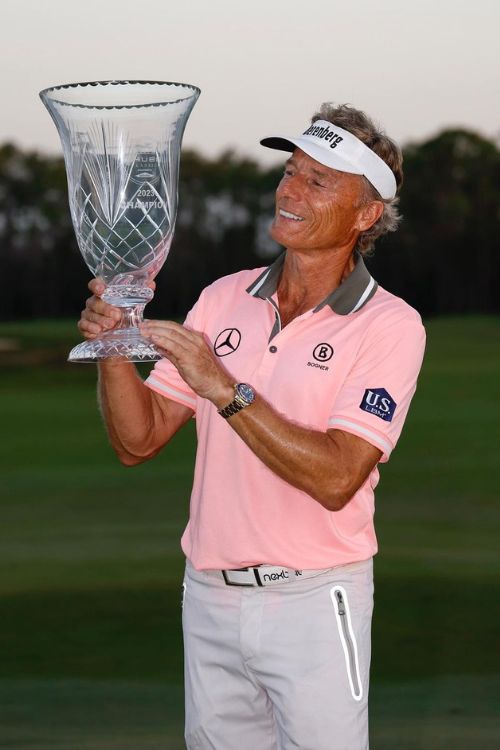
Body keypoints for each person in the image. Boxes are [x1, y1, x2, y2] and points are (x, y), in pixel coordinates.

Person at [79, 103, 425, 750]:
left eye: (318, 182)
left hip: (318, 603)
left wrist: (225, 388)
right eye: (290, 171)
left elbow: (337, 477)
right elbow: (138, 440)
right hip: (208, 598)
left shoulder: (390, 326)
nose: (289, 190)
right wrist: (117, 345)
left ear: (366, 214)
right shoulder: (224, 297)